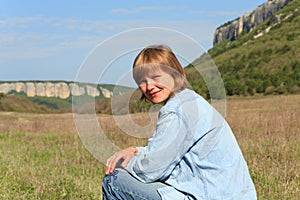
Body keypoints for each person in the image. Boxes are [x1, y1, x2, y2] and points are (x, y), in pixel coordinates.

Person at [102, 45, 257, 200]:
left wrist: (125, 163)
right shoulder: (190, 100)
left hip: (208, 196)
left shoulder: (177, 110)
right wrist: (135, 151)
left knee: (114, 180)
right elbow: (165, 151)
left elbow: (151, 170)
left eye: (156, 77)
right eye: (142, 81)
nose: (149, 86)